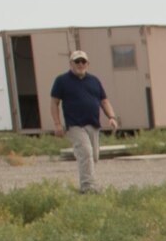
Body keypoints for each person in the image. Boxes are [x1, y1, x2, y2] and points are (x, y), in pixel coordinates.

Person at [48, 50, 117, 194]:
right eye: (77, 61)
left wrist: (111, 117)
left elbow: (104, 101)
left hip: (93, 124)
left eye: (83, 61)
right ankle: (88, 187)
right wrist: (57, 124)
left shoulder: (94, 80)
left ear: (88, 64)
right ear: (71, 63)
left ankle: (89, 182)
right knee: (85, 152)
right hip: (75, 125)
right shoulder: (62, 80)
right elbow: (54, 102)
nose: (80, 64)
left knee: (94, 156)